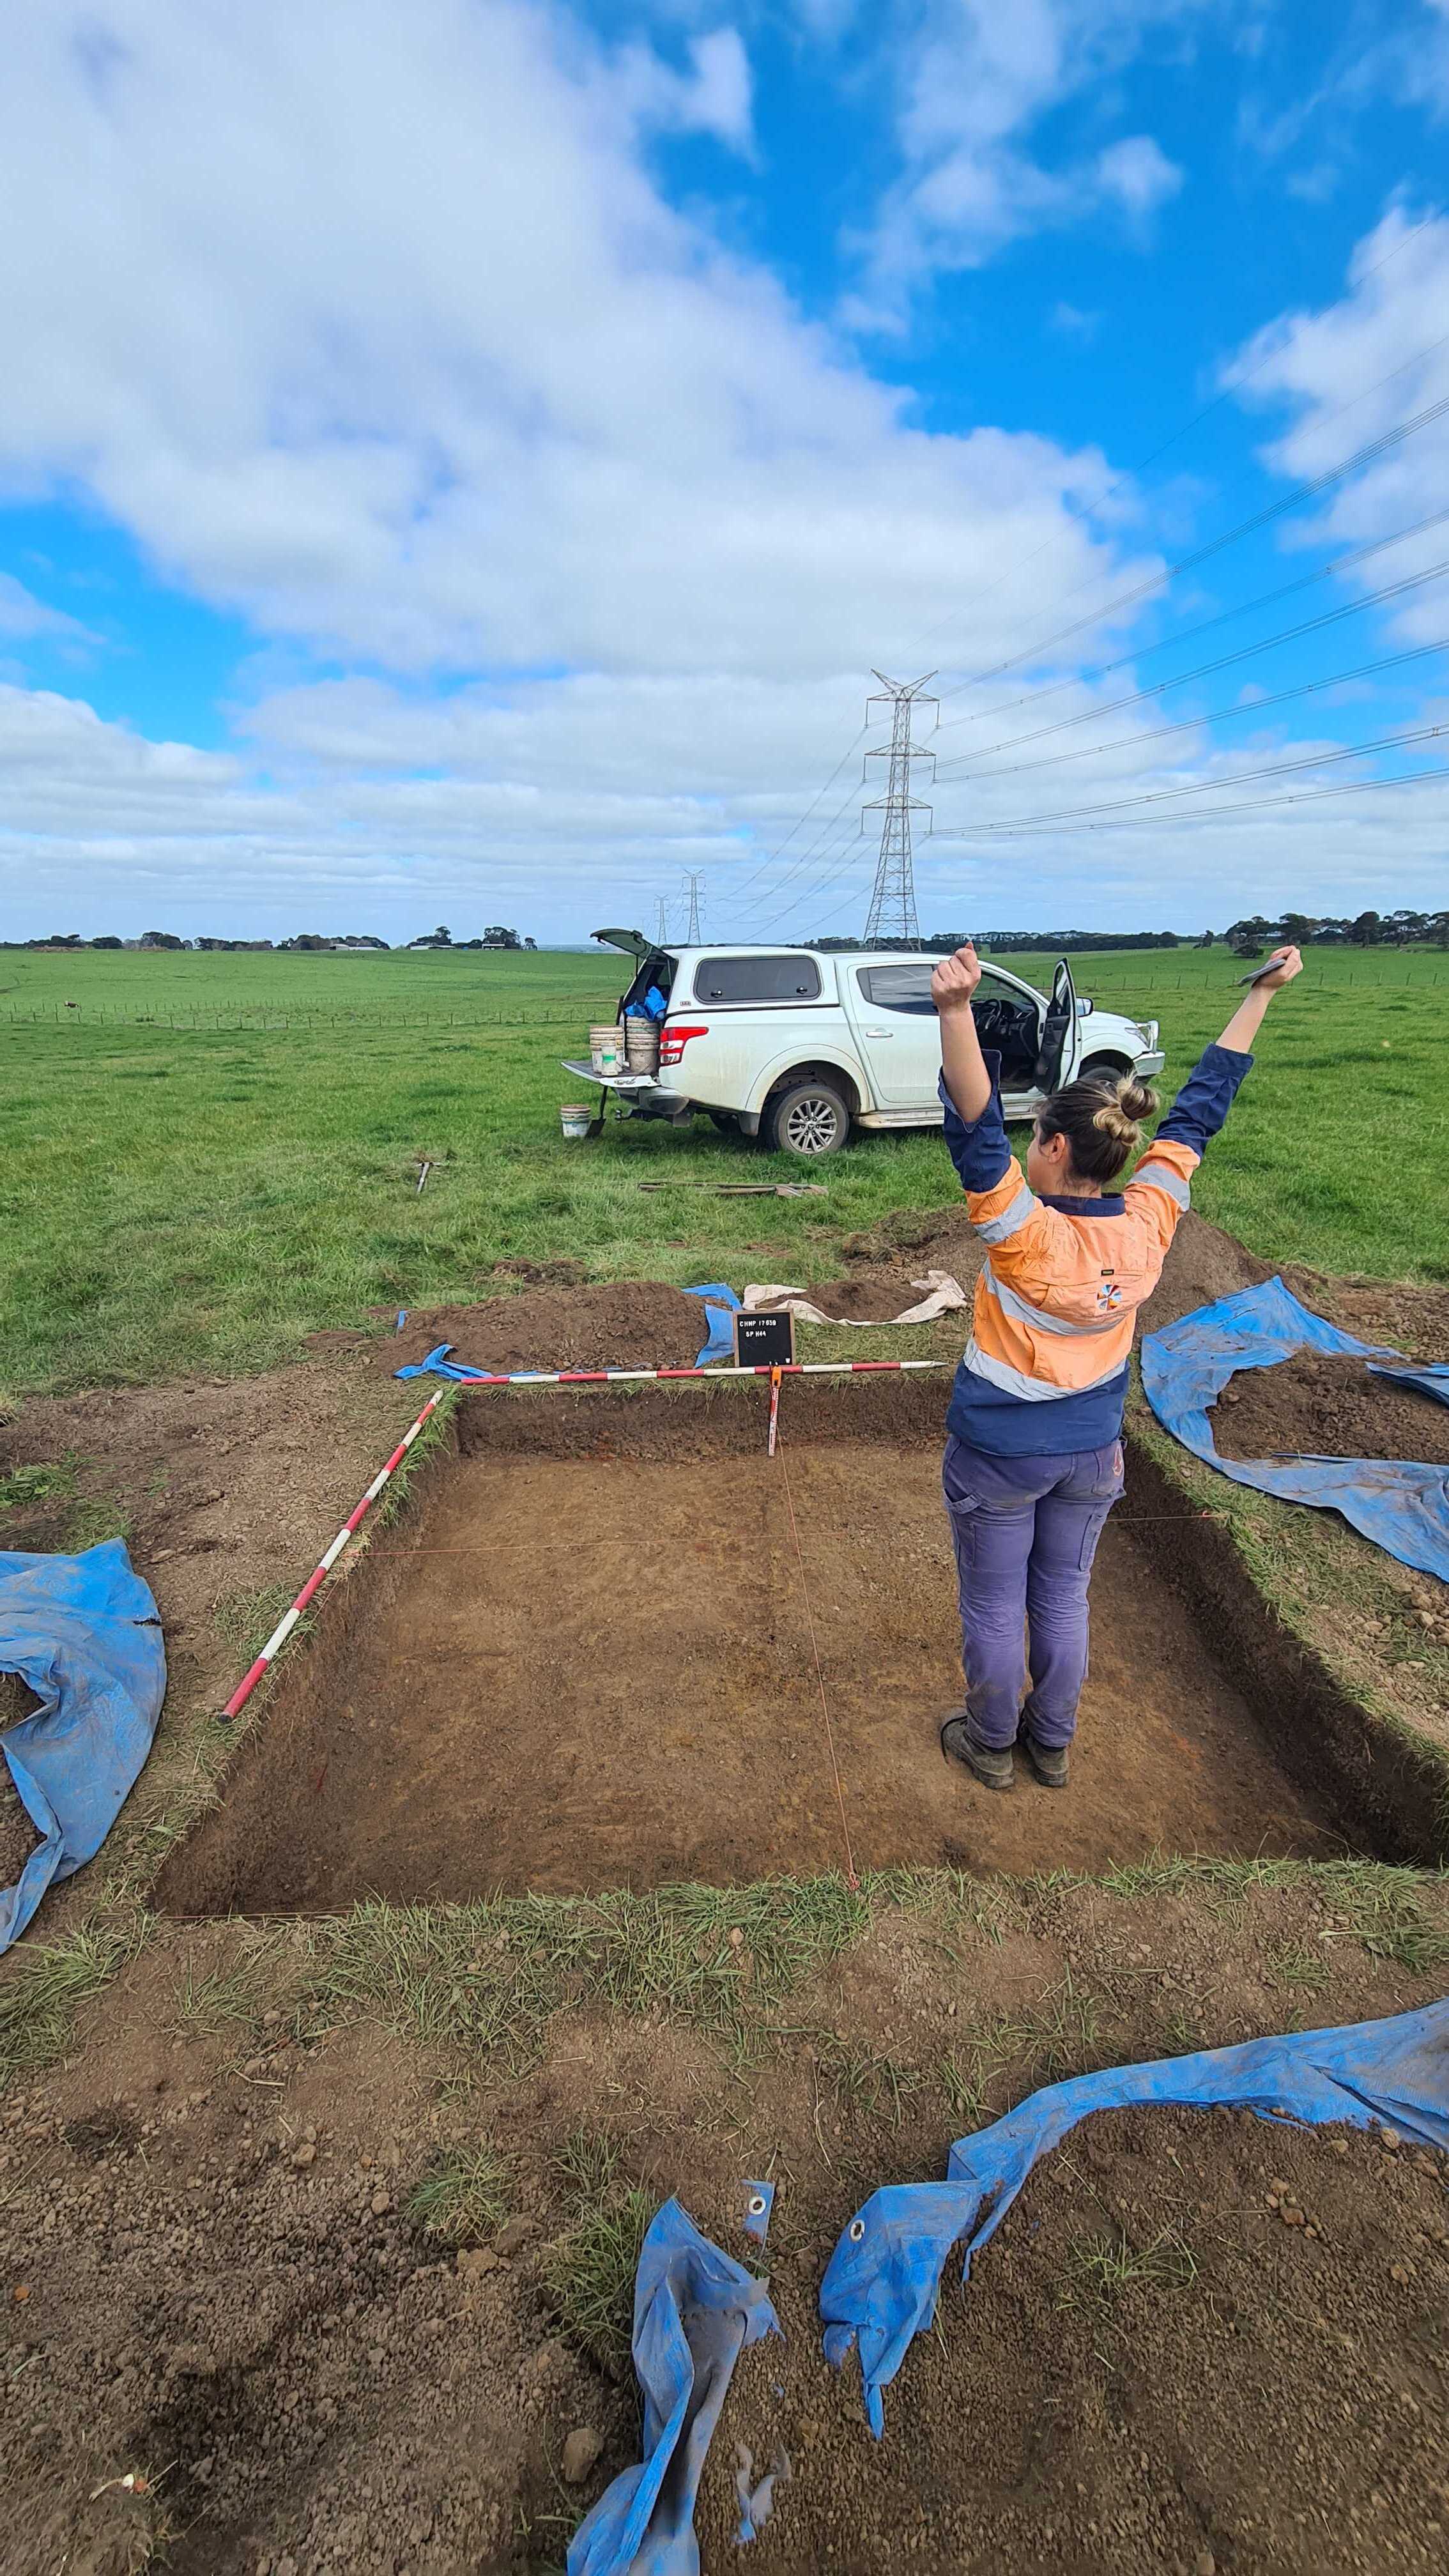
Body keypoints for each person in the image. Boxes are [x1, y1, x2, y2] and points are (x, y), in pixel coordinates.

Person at [931, 940, 1303, 1791]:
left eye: (1036, 1135)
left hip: (999, 1455)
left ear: (1057, 1150)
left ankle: (990, 1744)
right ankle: (1050, 1745)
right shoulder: (1150, 1221)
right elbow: (1200, 1112)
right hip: (1093, 1452)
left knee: (993, 1603)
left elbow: (974, 1132)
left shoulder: (1022, 1233)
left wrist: (955, 1012)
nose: (1025, 1144)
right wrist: (1263, 997)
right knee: (1061, 1593)